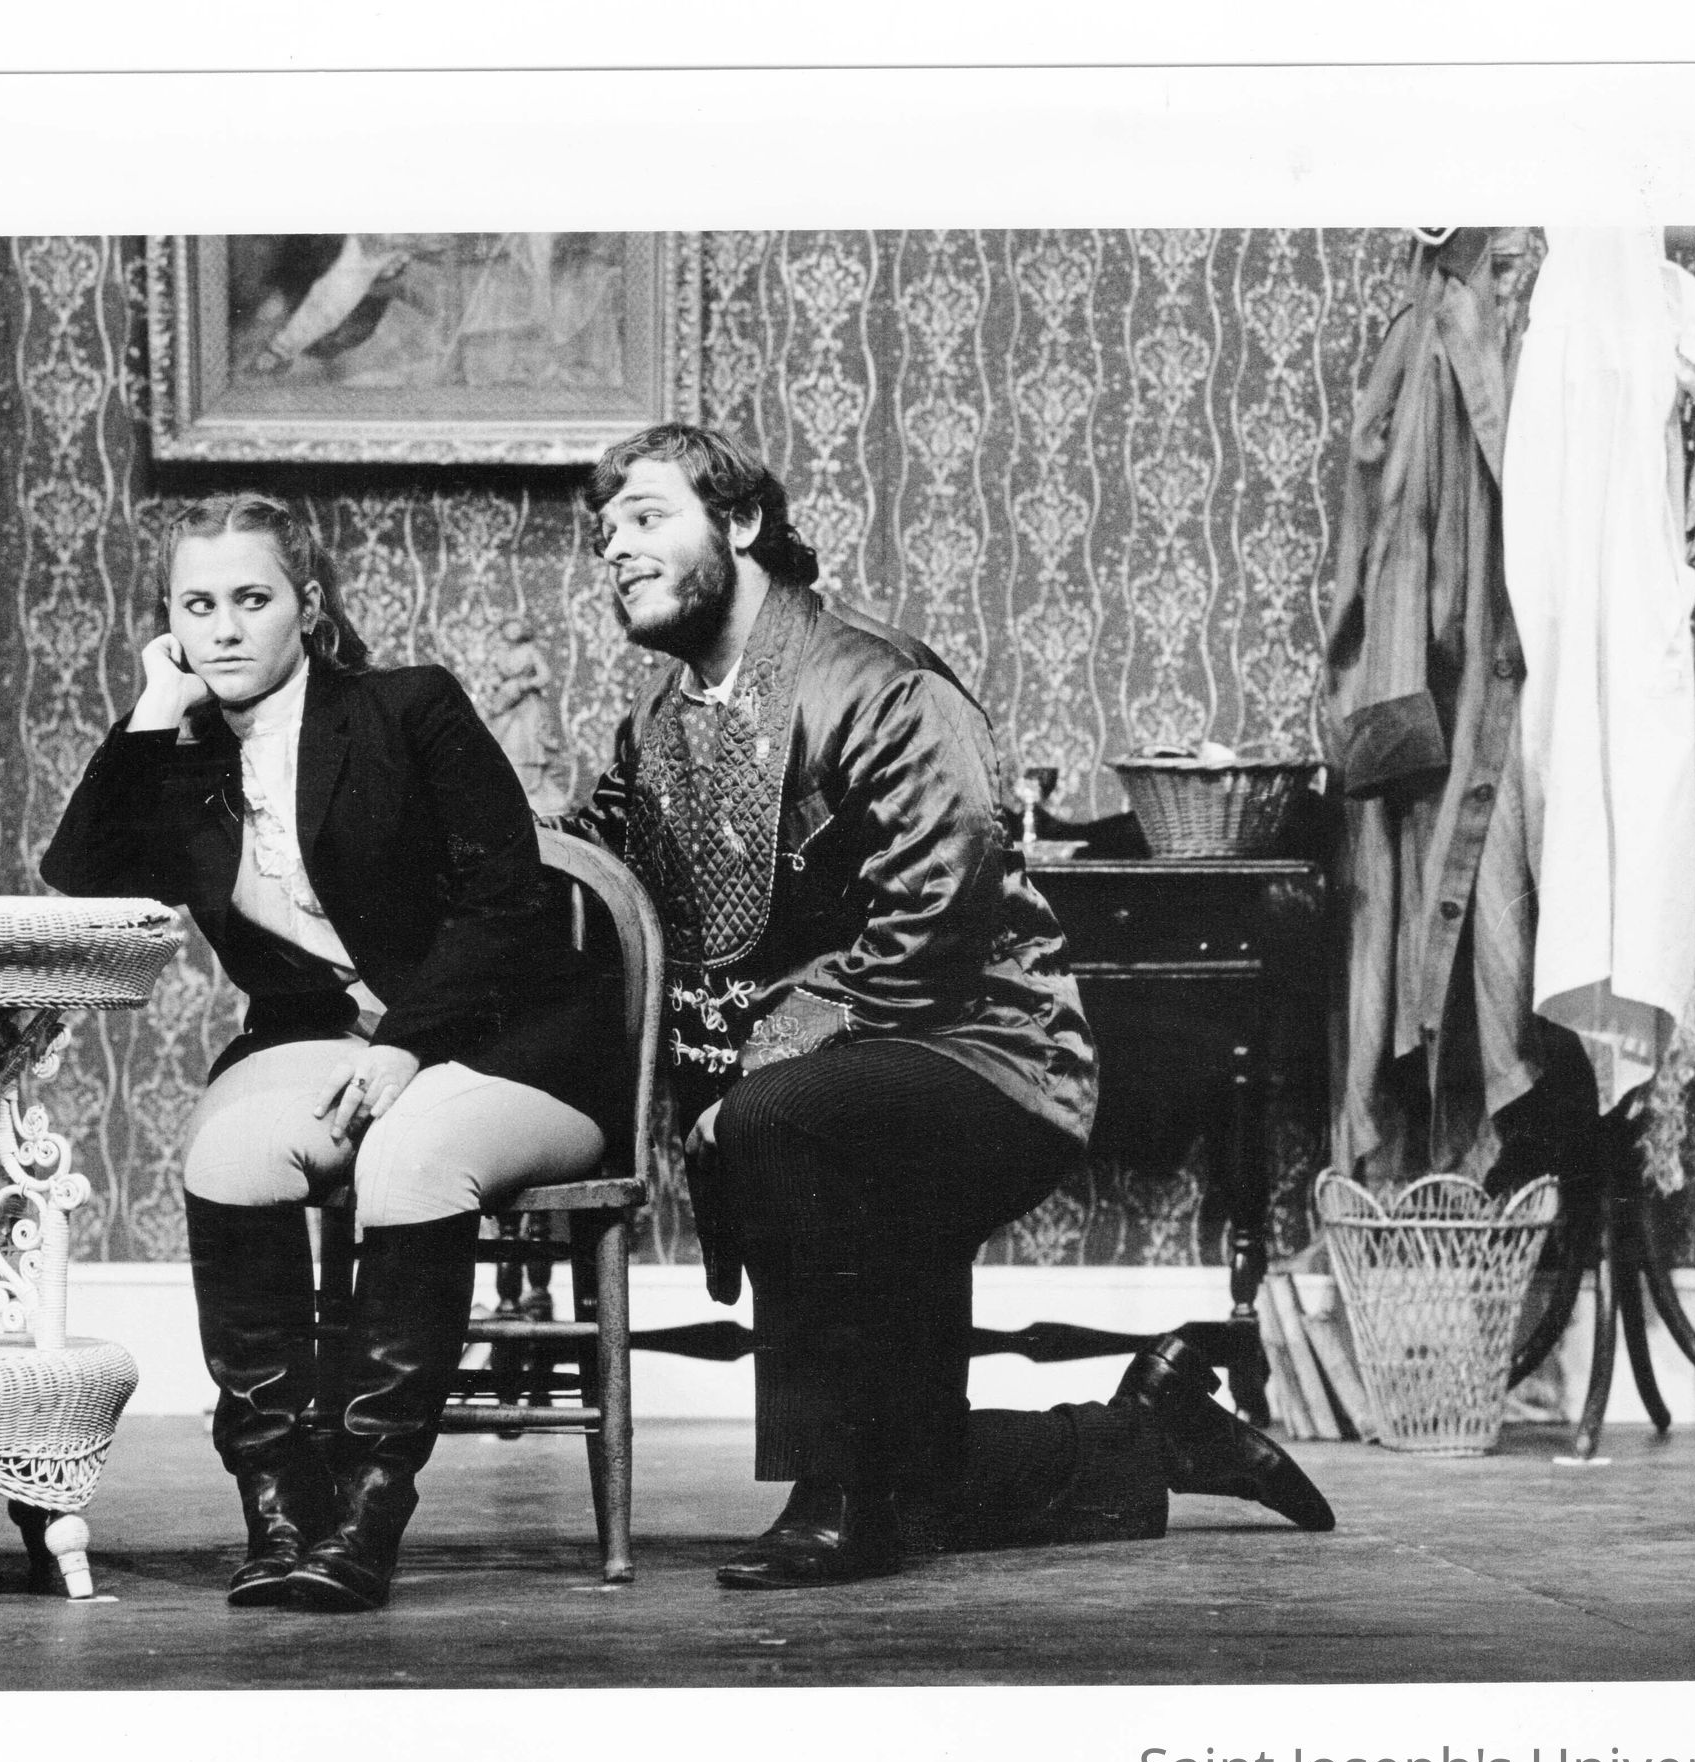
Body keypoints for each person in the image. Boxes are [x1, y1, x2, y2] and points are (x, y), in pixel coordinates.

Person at [571, 423, 1336, 1588]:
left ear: (742, 523)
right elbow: (596, 859)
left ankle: (832, 1496)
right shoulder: (658, 724)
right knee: (919, 1486)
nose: (616, 550)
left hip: (984, 1059)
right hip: (842, 1079)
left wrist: (756, 1076)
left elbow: (940, 908)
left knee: (773, 1122)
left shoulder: (879, 684)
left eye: (646, 517)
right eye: (604, 532)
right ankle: (1151, 1430)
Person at [41, 493, 628, 1613]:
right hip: (320, 1037)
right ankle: (278, 1507)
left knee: (409, 1159)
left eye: (251, 599)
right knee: (229, 1158)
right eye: (196, 606)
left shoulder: (407, 709)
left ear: (307, 606)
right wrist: (155, 706)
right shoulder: (183, 758)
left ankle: (367, 1511)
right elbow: (85, 875)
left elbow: (508, 900)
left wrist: (408, 1046)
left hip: (513, 1040)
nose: (224, 629)